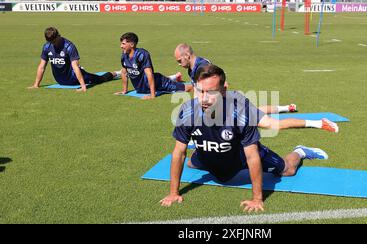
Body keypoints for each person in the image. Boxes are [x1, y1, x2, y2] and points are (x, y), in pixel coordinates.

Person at [160, 64, 330, 212]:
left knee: (288, 170)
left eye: (211, 92)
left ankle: (300, 151)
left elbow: (252, 156)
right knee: (190, 162)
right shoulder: (188, 111)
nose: (204, 98)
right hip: (209, 153)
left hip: (240, 154)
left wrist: (257, 198)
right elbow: (179, 153)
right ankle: (206, 150)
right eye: (200, 91)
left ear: (223, 91)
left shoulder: (240, 113)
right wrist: (173, 193)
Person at [173, 43, 338, 133]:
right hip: (227, 105)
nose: (179, 64)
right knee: (258, 111)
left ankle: (318, 123)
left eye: (179, 61)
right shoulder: (192, 68)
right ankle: (286, 107)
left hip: (229, 105)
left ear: (187, 55)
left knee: (272, 125)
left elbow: (224, 86)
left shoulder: (203, 66)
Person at [29, 27, 120, 92]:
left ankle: (117, 73)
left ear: (58, 36)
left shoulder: (69, 46)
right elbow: (41, 66)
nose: (53, 44)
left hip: (74, 78)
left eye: (54, 41)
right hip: (60, 80)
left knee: (100, 79)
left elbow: (75, 67)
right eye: (50, 42)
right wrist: (36, 84)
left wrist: (83, 86)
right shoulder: (47, 47)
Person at [114, 33, 193, 100]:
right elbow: (124, 72)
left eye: (123, 44)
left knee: (186, 88)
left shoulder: (142, 54)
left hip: (159, 82)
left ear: (132, 44)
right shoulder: (124, 55)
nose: (121, 46)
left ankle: (201, 86)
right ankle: (176, 77)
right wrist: (124, 90)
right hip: (142, 88)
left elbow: (149, 74)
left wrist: (152, 95)